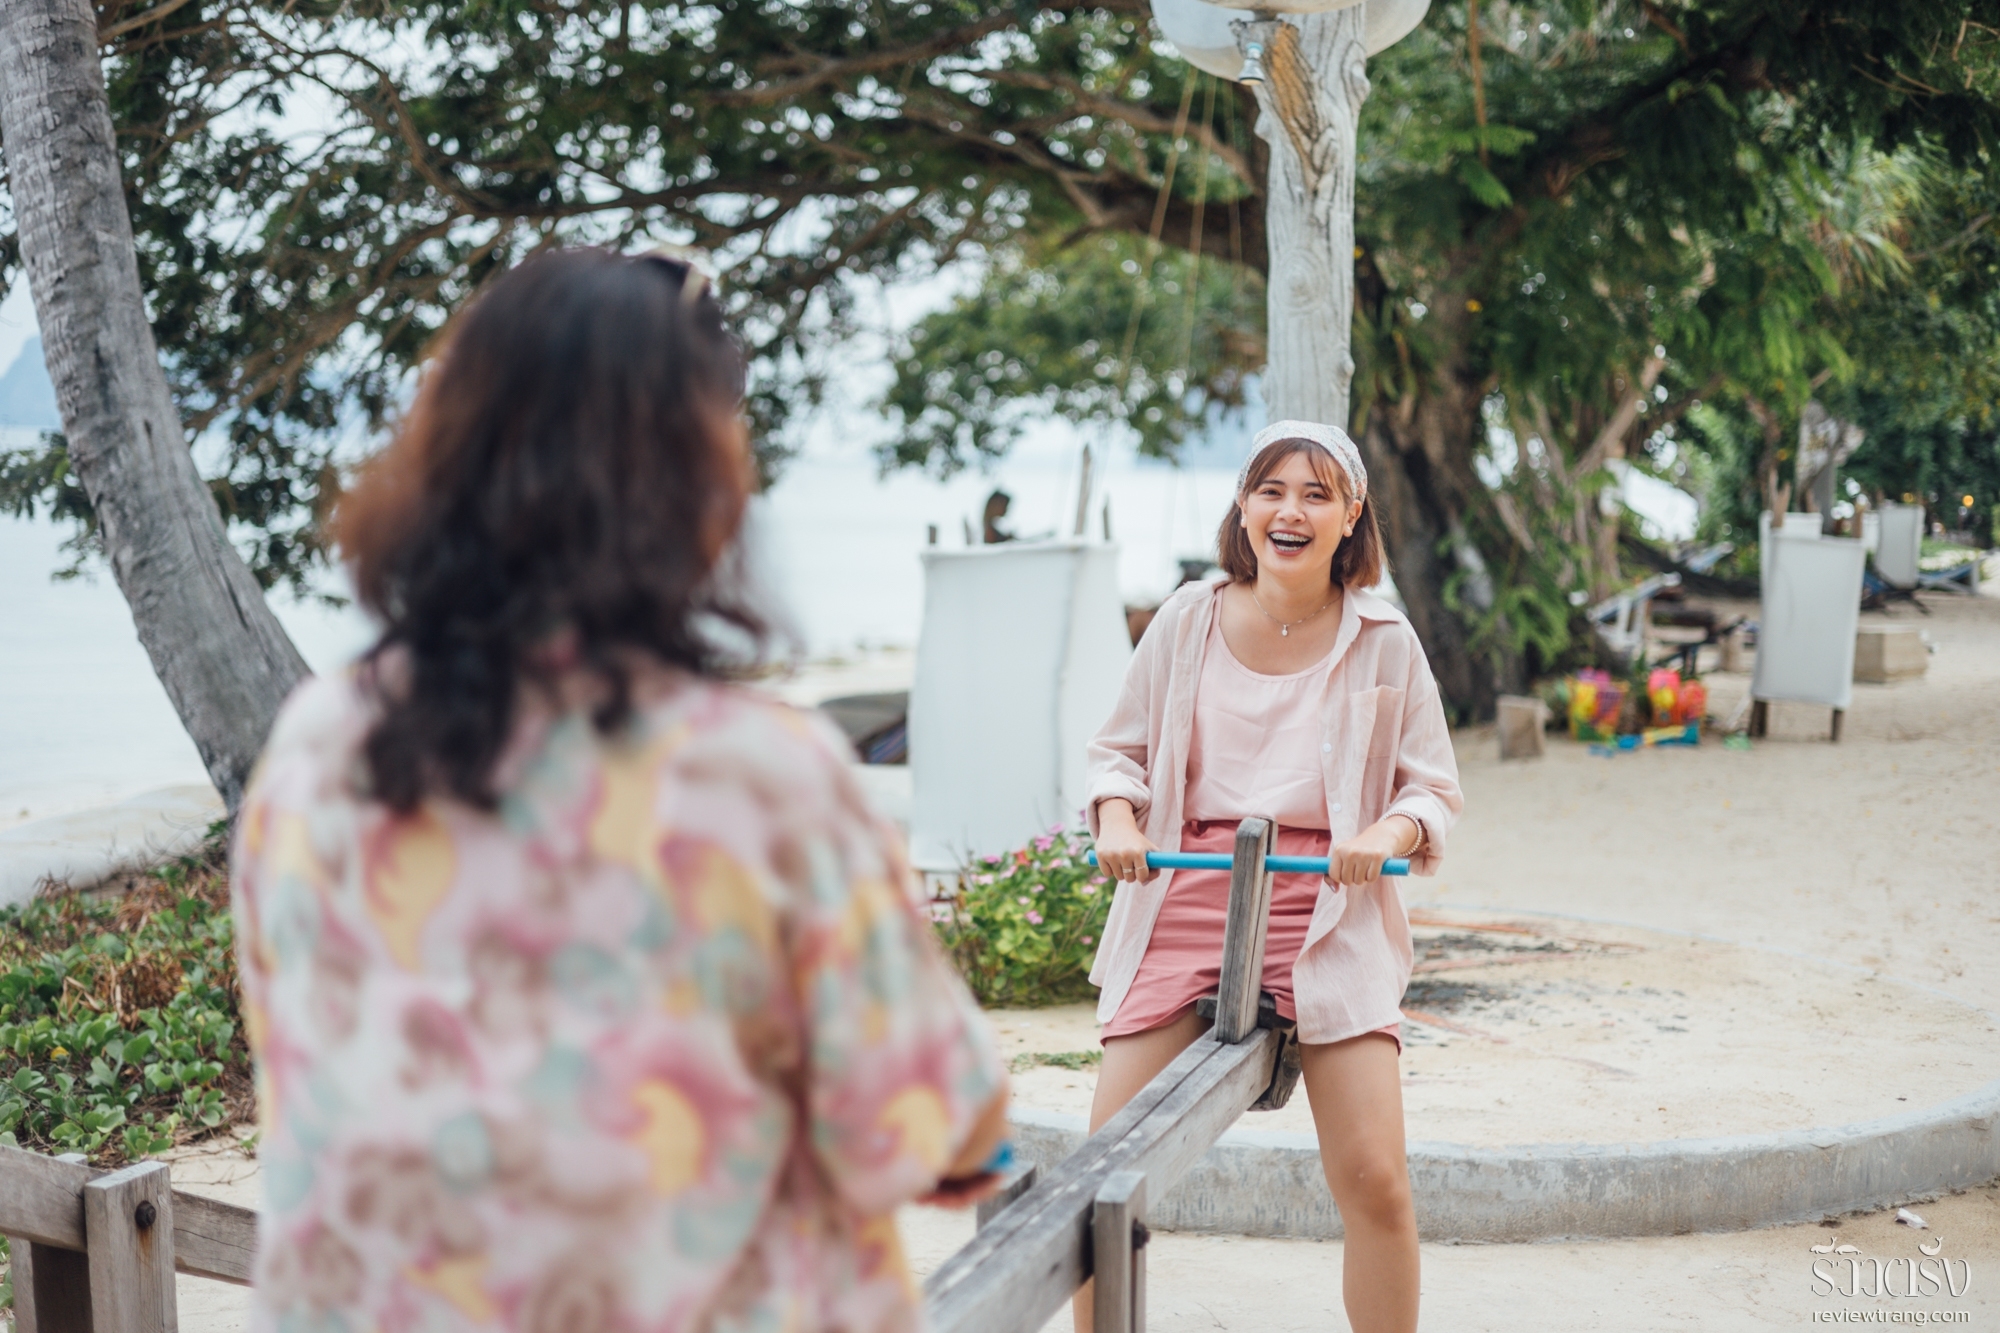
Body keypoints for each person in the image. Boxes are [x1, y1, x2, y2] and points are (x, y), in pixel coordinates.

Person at [230, 248, 1008, 1333]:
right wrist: (965, 1149)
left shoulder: (321, 745)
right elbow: (921, 1114)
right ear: (695, 476)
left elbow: (296, 1045)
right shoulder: (755, 775)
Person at [1084, 420, 1462, 1333]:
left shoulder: (1384, 640)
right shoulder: (1186, 618)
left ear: (1350, 515)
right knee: (1101, 1175)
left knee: (1375, 1177)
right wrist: (1118, 818)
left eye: (1316, 494)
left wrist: (1387, 829)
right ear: (1244, 507)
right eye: (1271, 490)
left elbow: (1433, 787)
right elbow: (1117, 753)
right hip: (1187, 890)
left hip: (1325, 898)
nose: (1290, 511)